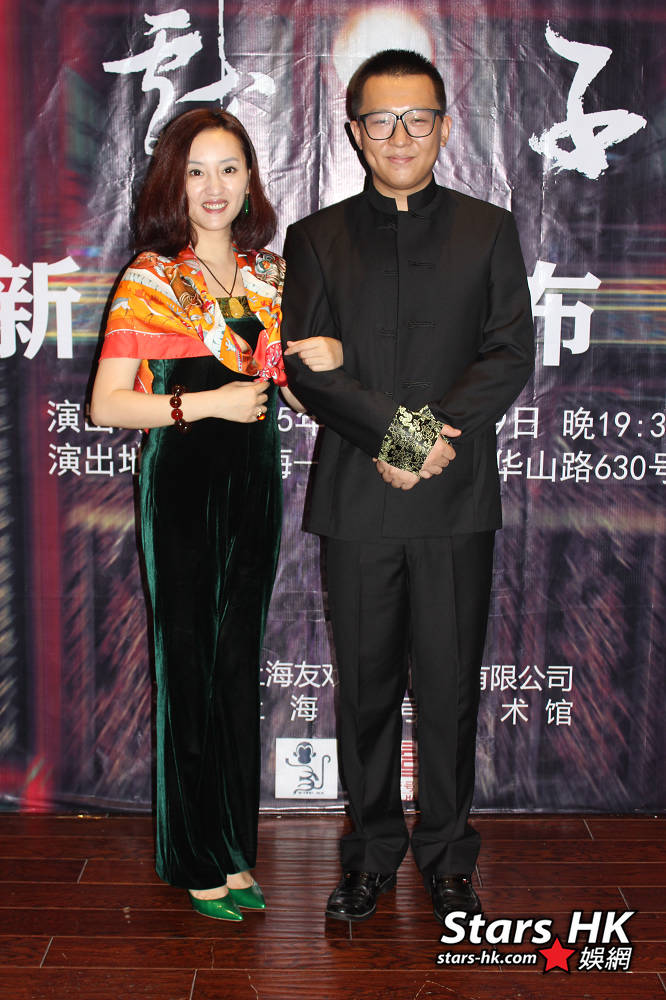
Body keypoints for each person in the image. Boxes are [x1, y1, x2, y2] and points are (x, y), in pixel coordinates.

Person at [281, 50, 534, 924]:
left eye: (417, 118)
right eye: (380, 120)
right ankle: (370, 853)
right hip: (358, 499)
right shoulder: (315, 238)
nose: (399, 135)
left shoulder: (487, 230)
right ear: (355, 132)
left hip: (454, 500)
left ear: (445, 126)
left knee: (452, 686)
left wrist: (423, 438)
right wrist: (397, 436)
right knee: (366, 688)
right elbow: (307, 368)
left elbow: (508, 353)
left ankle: (450, 855)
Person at [90, 108, 341, 920]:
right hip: (182, 485)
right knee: (188, 665)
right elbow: (108, 404)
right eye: (196, 170)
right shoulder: (151, 278)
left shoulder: (272, 276)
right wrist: (204, 404)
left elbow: (296, 392)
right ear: (174, 181)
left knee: (237, 667)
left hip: (255, 486)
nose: (213, 186)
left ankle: (234, 850)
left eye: (229, 168)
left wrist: (330, 361)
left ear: (250, 180)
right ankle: (193, 855)